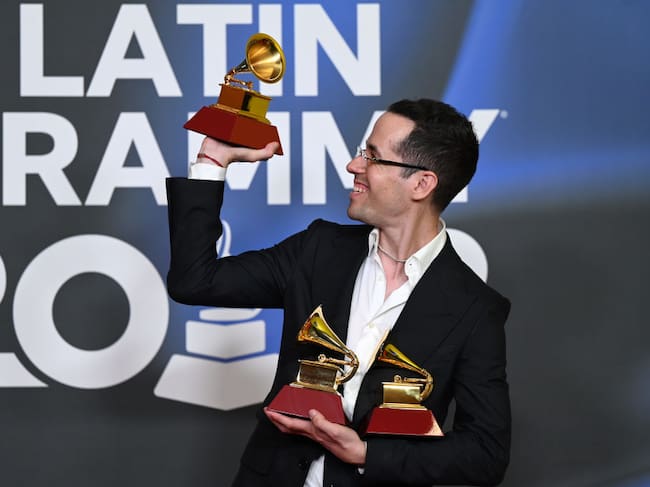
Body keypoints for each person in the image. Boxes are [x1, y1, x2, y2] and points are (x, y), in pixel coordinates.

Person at [166, 98, 511, 487]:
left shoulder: (476, 309)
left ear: (421, 184)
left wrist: (366, 454)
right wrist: (212, 160)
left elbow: (485, 454)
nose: (353, 165)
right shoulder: (317, 250)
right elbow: (195, 280)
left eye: (373, 157)